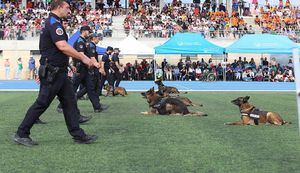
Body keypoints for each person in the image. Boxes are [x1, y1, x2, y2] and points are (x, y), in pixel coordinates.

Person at [13, 0, 100, 147]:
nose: (69, 10)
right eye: (67, 7)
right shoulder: (54, 23)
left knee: (70, 101)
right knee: (42, 103)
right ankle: (21, 133)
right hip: (53, 71)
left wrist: (68, 65)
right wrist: (84, 57)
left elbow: (60, 48)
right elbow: (62, 46)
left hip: (59, 71)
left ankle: (78, 134)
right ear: (59, 7)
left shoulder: (54, 22)